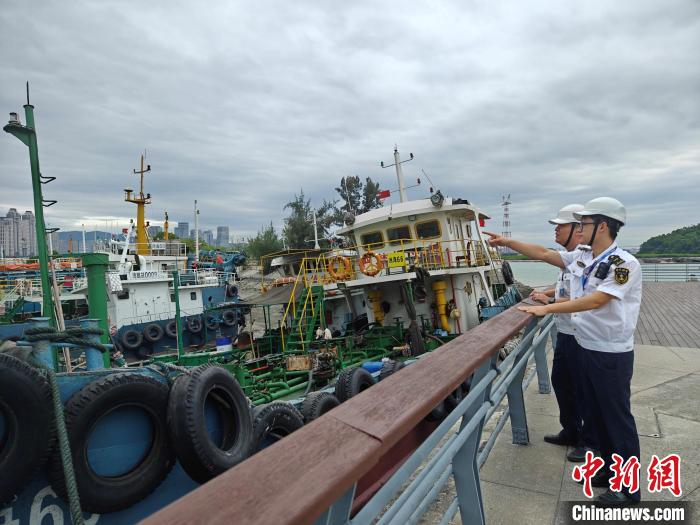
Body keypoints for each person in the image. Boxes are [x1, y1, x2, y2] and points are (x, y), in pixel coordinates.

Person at [485, 197, 642, 506]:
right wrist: (508, 242)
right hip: (586, 347)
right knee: (595, 416)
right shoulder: (584, 256)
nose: (579, 228)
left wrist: (552, 308)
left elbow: (597, 300)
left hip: (611, 354)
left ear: (603, 226)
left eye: (584, 223)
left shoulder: (625, 264)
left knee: (616, 419)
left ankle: (629, 488)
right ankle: (611, 471)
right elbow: (544, 254)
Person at [530, 204, 591, 463]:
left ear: (578, 229)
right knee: (562, 384)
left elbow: (585, 295)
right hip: (565, 331)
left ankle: (590, 442)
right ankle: (571, 431)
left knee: (583, 389)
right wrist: (549, 295)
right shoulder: (568, 259)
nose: (555, 230)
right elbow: (569, 291)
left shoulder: (584, 258)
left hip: (581, 335)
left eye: (560, 226)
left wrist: (550, 304)